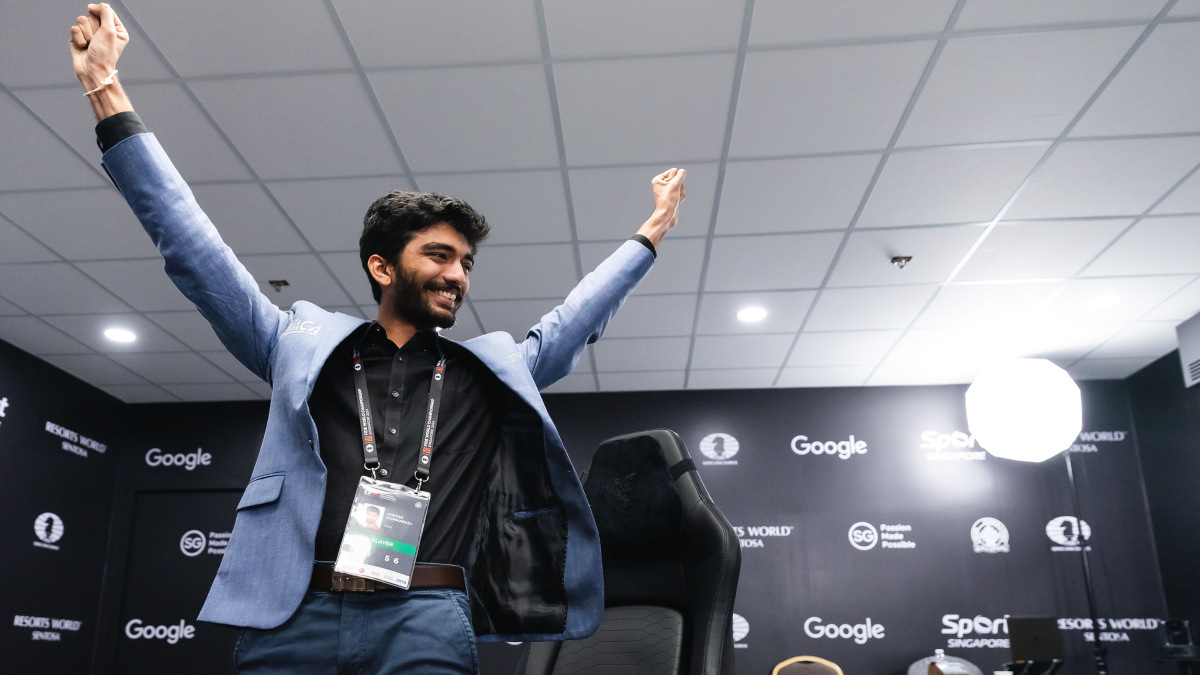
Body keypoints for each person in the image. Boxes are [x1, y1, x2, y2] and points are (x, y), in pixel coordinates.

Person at [69, 4, 686, 674]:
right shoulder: (296, 343)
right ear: (383, 267)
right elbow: (193, 247)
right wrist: (106, 90)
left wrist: (650, 233)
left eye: (466, 263)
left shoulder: (489, 371)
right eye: (440, 256)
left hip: (425, 618)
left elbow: (575, 318)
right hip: (293, 618)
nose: (458, 275)